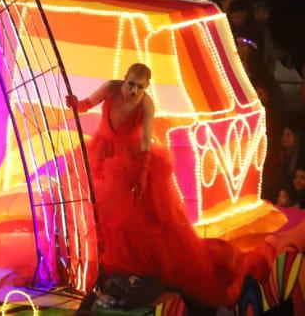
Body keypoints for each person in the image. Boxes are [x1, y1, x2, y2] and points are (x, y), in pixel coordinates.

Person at [66, 63, 238, 306]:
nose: (133, 91)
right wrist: (75, 103)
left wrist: (142, 174)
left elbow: (146, 141)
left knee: (129, 217)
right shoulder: (111, 88)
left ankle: (123, 269)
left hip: (130, 159)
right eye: (130, 84)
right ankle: (94, 261)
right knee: (97, 206)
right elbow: (86, 104)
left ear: (146, 89)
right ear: (123, 80)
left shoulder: (146, 105)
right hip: (103, 151)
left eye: (139, 87)